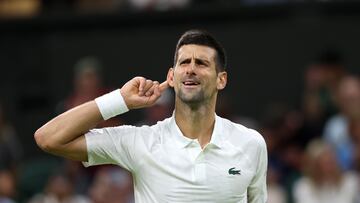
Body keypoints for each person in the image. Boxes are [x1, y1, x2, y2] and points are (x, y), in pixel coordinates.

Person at [34, 29, 268, 202]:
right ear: (171, 77)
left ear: (221, 79)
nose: (191, 68)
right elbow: (48, 138)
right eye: (184, 62)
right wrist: (120, 100)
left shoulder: (251, 143)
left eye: (202, 63)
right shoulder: (141, 141)